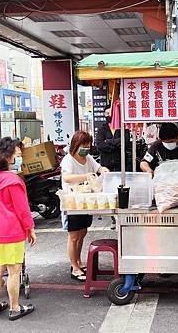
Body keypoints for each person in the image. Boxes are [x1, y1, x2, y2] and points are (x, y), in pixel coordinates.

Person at [0, 137, 36, 321]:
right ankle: (15, 308)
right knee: (14, 270)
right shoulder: (12, 180)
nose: (21, 157)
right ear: (8, 157)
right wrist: (30, 228)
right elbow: (22, 209)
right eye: (18, 154)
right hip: (10, 230)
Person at [61, 131, 110, 281]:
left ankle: (79, 262)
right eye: (84, 145)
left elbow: (98, 168)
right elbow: (67, 177)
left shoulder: (88, 158)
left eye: (88, 145)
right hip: (72, 203)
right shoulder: (68, 160)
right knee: (73, 236)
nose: (87, 148)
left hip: (85, 201)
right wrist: (86, 176)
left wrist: (103, 170)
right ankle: (74, 267)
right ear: (76, 145)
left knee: (82, 233)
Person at [94, 107, 130, 172]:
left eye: (110, 113)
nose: (108, 115)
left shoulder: (124, 128)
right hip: (106, 166)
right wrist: (117, 145)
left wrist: (107, 141)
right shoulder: (102, 129)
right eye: (106, 113)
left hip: (121, 165)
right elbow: (99, 145)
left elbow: (125, 142)